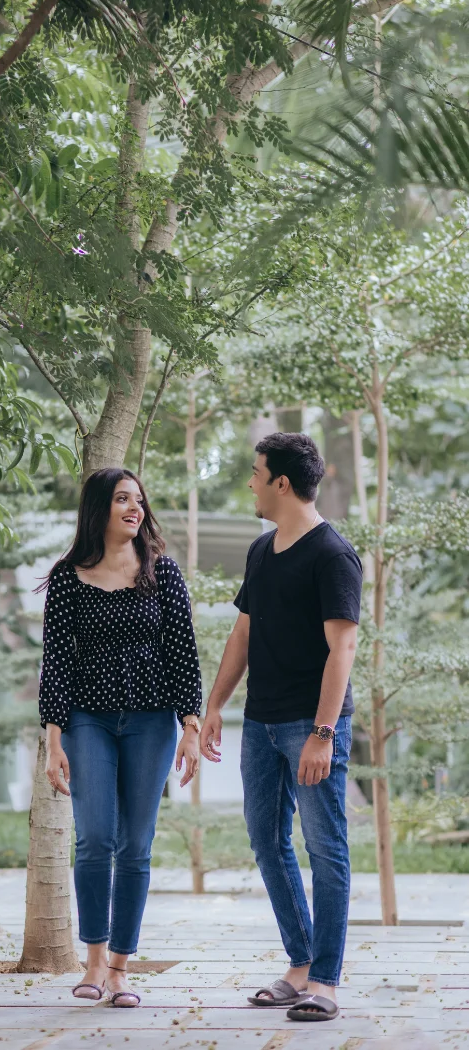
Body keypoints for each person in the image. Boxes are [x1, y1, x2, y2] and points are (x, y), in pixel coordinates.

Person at [200, 432, 362, 1024]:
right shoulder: (261, 550)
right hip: (262, 724)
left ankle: (325, 981)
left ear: (282, 484)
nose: (250, 482)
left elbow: (342, 649)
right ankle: (299, 965)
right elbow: (242, 633)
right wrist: (215, 703)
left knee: (326, 848)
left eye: (256, 472)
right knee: (267, 843)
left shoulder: (332, 554)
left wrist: (323, 732)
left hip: (312, 726)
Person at [38, 467, 202, 1008]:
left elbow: (182, 653)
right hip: (89, 719)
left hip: (153, 721)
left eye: (138, 499)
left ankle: (120, 970)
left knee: (135, 845)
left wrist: (191, 726)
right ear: (98, 510)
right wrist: (53, 739)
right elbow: (56, 663)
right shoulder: (68, 577)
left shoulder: (163, 572)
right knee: (94, 840)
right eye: (121, 499)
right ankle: (90, 962)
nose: (134, 508)